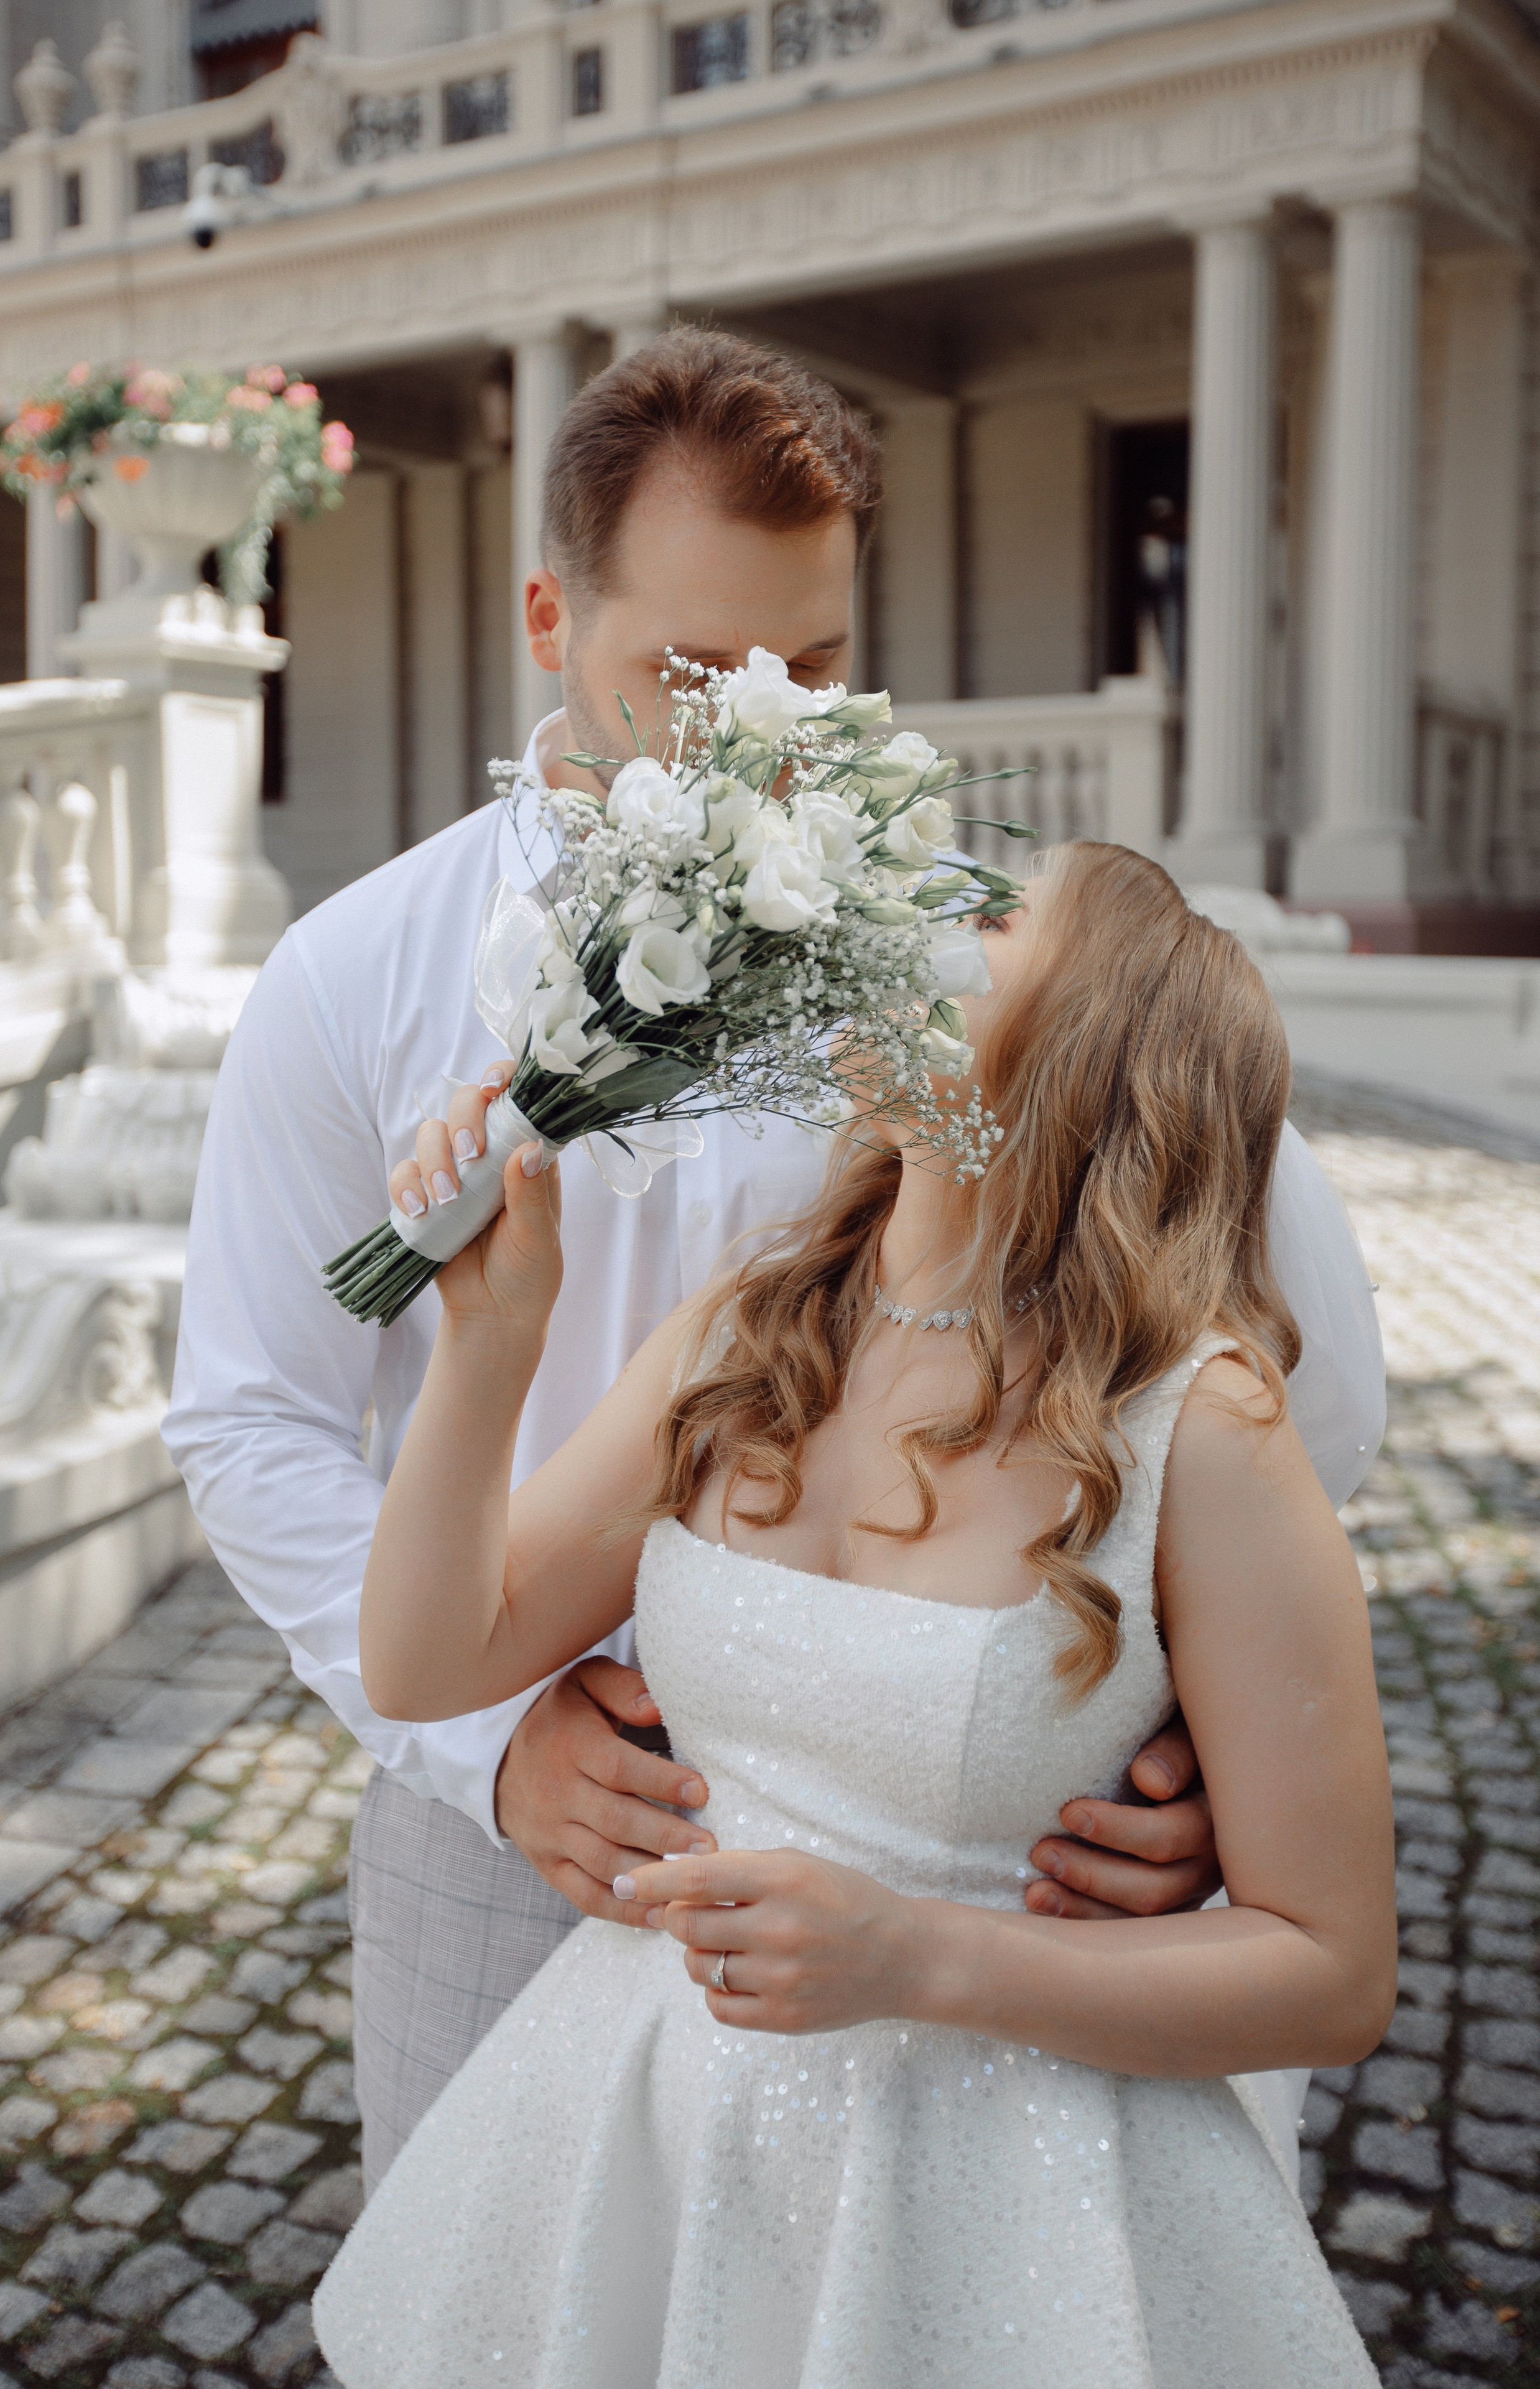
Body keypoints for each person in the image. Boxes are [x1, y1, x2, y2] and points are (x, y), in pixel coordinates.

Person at [163, 330, 1385, 2201]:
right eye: (693, 670)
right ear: (551, 615)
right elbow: (251, 1423)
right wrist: (493, 1747)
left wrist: (1197, 1745)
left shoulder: (975, 958)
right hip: (519, 1803)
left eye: (812, 667)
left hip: (958, 1824)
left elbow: (1273, 1354)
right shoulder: (354, 977)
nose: (766, 732)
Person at [313, 840, 1393, 2387]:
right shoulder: (746, 1331)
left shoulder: (1198, 1431)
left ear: (1095, 1037)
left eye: (992, 912)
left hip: (1004, 2200)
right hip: (656, 2131)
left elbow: (1333, 1968)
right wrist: (488, 1347)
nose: (915, 922)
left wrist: (917, 1958)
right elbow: (422, 1662)